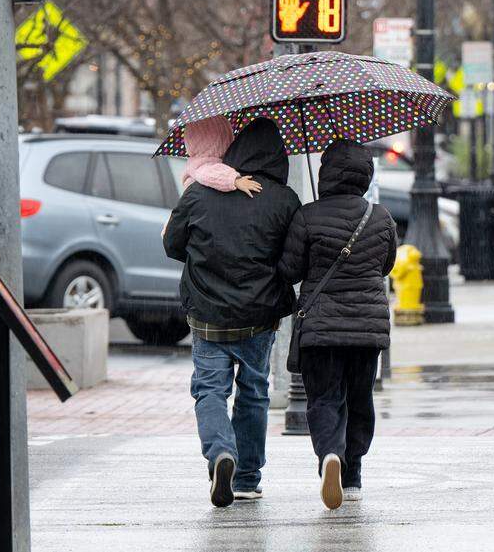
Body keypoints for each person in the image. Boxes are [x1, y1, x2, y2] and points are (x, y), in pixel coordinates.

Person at [163, 118, 301, 508]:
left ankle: (220, 452)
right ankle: (246, 477)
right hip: (259, 316)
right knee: (254, 391)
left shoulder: (199, 194)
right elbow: (292, 260)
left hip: (207, 313)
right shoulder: (284, 199)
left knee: (209, 389)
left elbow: (173, 246)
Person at [278, 139, 398, 510]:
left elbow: (290, 269)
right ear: (365, 176)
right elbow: (386, 265)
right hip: (366, 327)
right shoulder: (380, 217)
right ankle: (354, 473)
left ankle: (330, 453)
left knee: (325, 397)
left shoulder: (307, 215)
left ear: (326, 173)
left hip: (321, 327)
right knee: (360, 398)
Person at [182, 118, 263, 198]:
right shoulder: (201, 165)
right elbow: (209, 173)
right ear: (219, 142)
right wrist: (235, 180)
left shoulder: (196, 162)